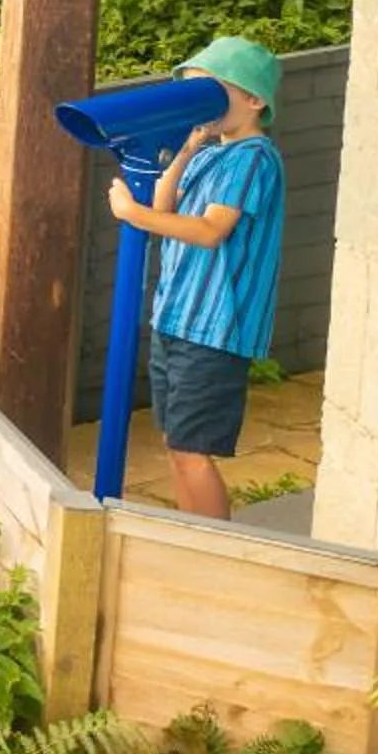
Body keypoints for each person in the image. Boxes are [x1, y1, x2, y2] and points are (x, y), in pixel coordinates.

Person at [105, 37, 288, 521]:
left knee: (191, 448)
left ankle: (213, 547)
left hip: (214, 329)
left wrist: (132, 215)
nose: (196, 101)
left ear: (254, 100)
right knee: (176, 444)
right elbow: (165, 204)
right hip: (177, 318)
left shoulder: (253, 158)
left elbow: (210, 231)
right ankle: (193, 537)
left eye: (209, 90)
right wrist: (187, 148)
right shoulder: (211, 152)